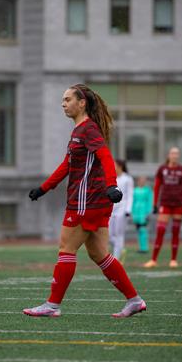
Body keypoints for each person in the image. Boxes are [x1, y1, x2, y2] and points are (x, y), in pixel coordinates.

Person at [23, 84, 146, 318]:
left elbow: (106, 157)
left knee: (66, 249)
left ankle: (52, 305)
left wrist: (112, 185)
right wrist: (44, 188)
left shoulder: (88, 130)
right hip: (96, 201)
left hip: (85, 201)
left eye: (68, 99)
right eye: (63, 100)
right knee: (100, 254)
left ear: (82, 103)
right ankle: (135, 300)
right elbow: (67, 166)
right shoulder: (80, 130)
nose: (63, 103)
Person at [144, 147, 182, 268]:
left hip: (179, 204)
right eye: (173, 153)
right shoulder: (162, 169)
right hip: (165, 203)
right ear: (168, 155)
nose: (175, 155)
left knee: (175, 232)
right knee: (160, 231)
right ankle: (153, 260)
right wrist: (155, 204)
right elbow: (157, 186)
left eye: (177, 153)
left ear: (179, 156)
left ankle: (173, 260)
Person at [109, 160, 134, 262]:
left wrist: (128, 210)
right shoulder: (111, 177)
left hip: (122, 210)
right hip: (111, 209)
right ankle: (121, 249)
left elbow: (130, 195)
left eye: (114, 165)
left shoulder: (127, 179)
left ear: (120, 166)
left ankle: (116, 259)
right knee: (109, 236)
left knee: (119, 235)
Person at [132, 177, 153, 253]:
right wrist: (133, 213)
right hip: (136, 213)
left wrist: (148, 212)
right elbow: (133, 202)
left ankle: (144, 248)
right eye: (140, 180)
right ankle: (141, 247)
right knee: (138, 230)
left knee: (143, 230)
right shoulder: (135, 190)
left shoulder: (148, 190)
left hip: (144, 213)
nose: (142, 182)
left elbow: (150, 201)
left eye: (143, 180)